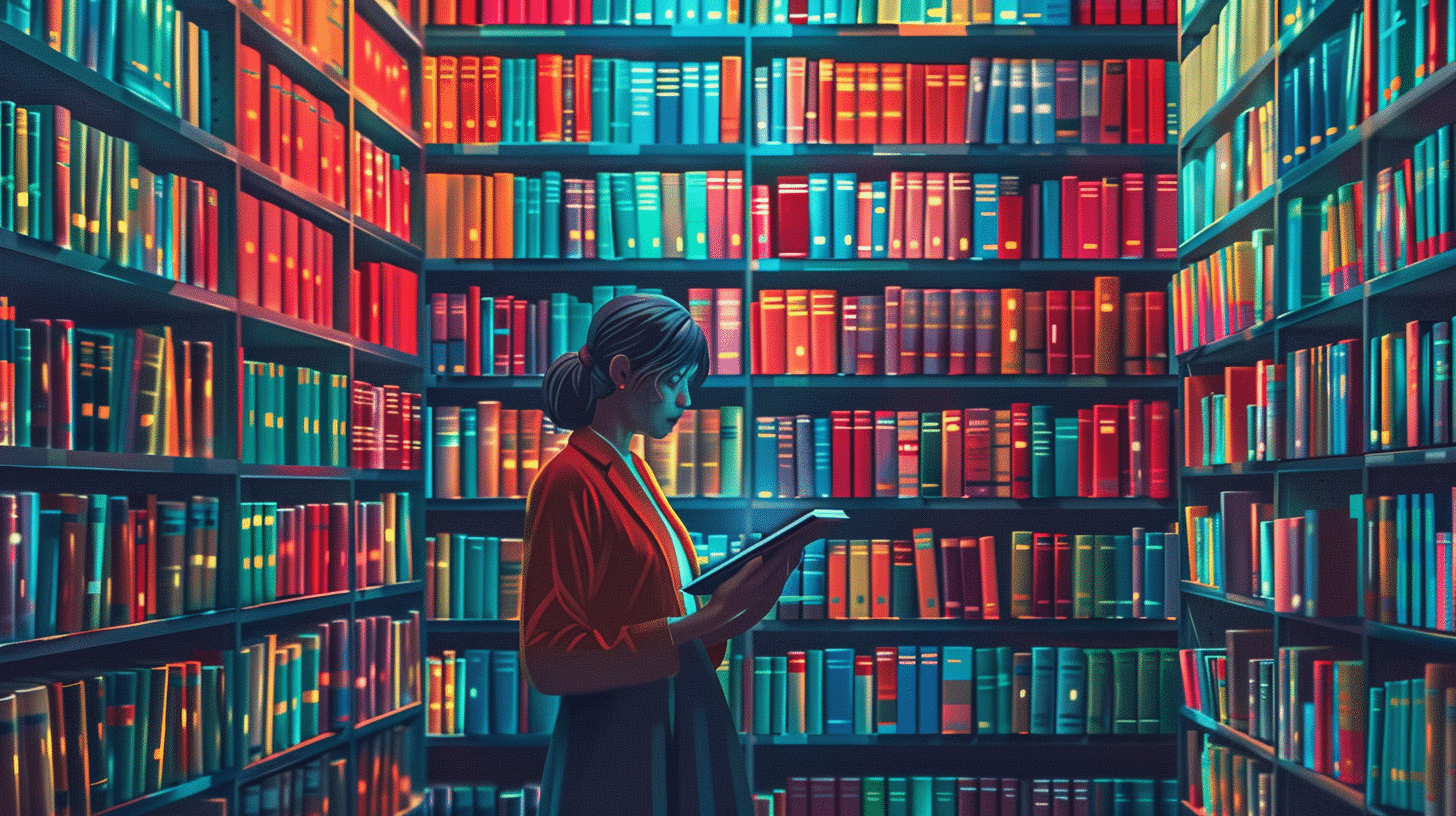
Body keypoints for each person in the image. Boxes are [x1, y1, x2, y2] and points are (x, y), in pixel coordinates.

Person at [521, 293, 796, 816]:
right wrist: (706, 619)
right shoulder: (567, 482)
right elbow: (549, 659)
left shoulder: (637, 470)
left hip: (679, 723)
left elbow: (656, 609)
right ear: (623, 372)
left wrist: (736, 610)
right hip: (618, 747)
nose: (687, 400)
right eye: (674, 380)